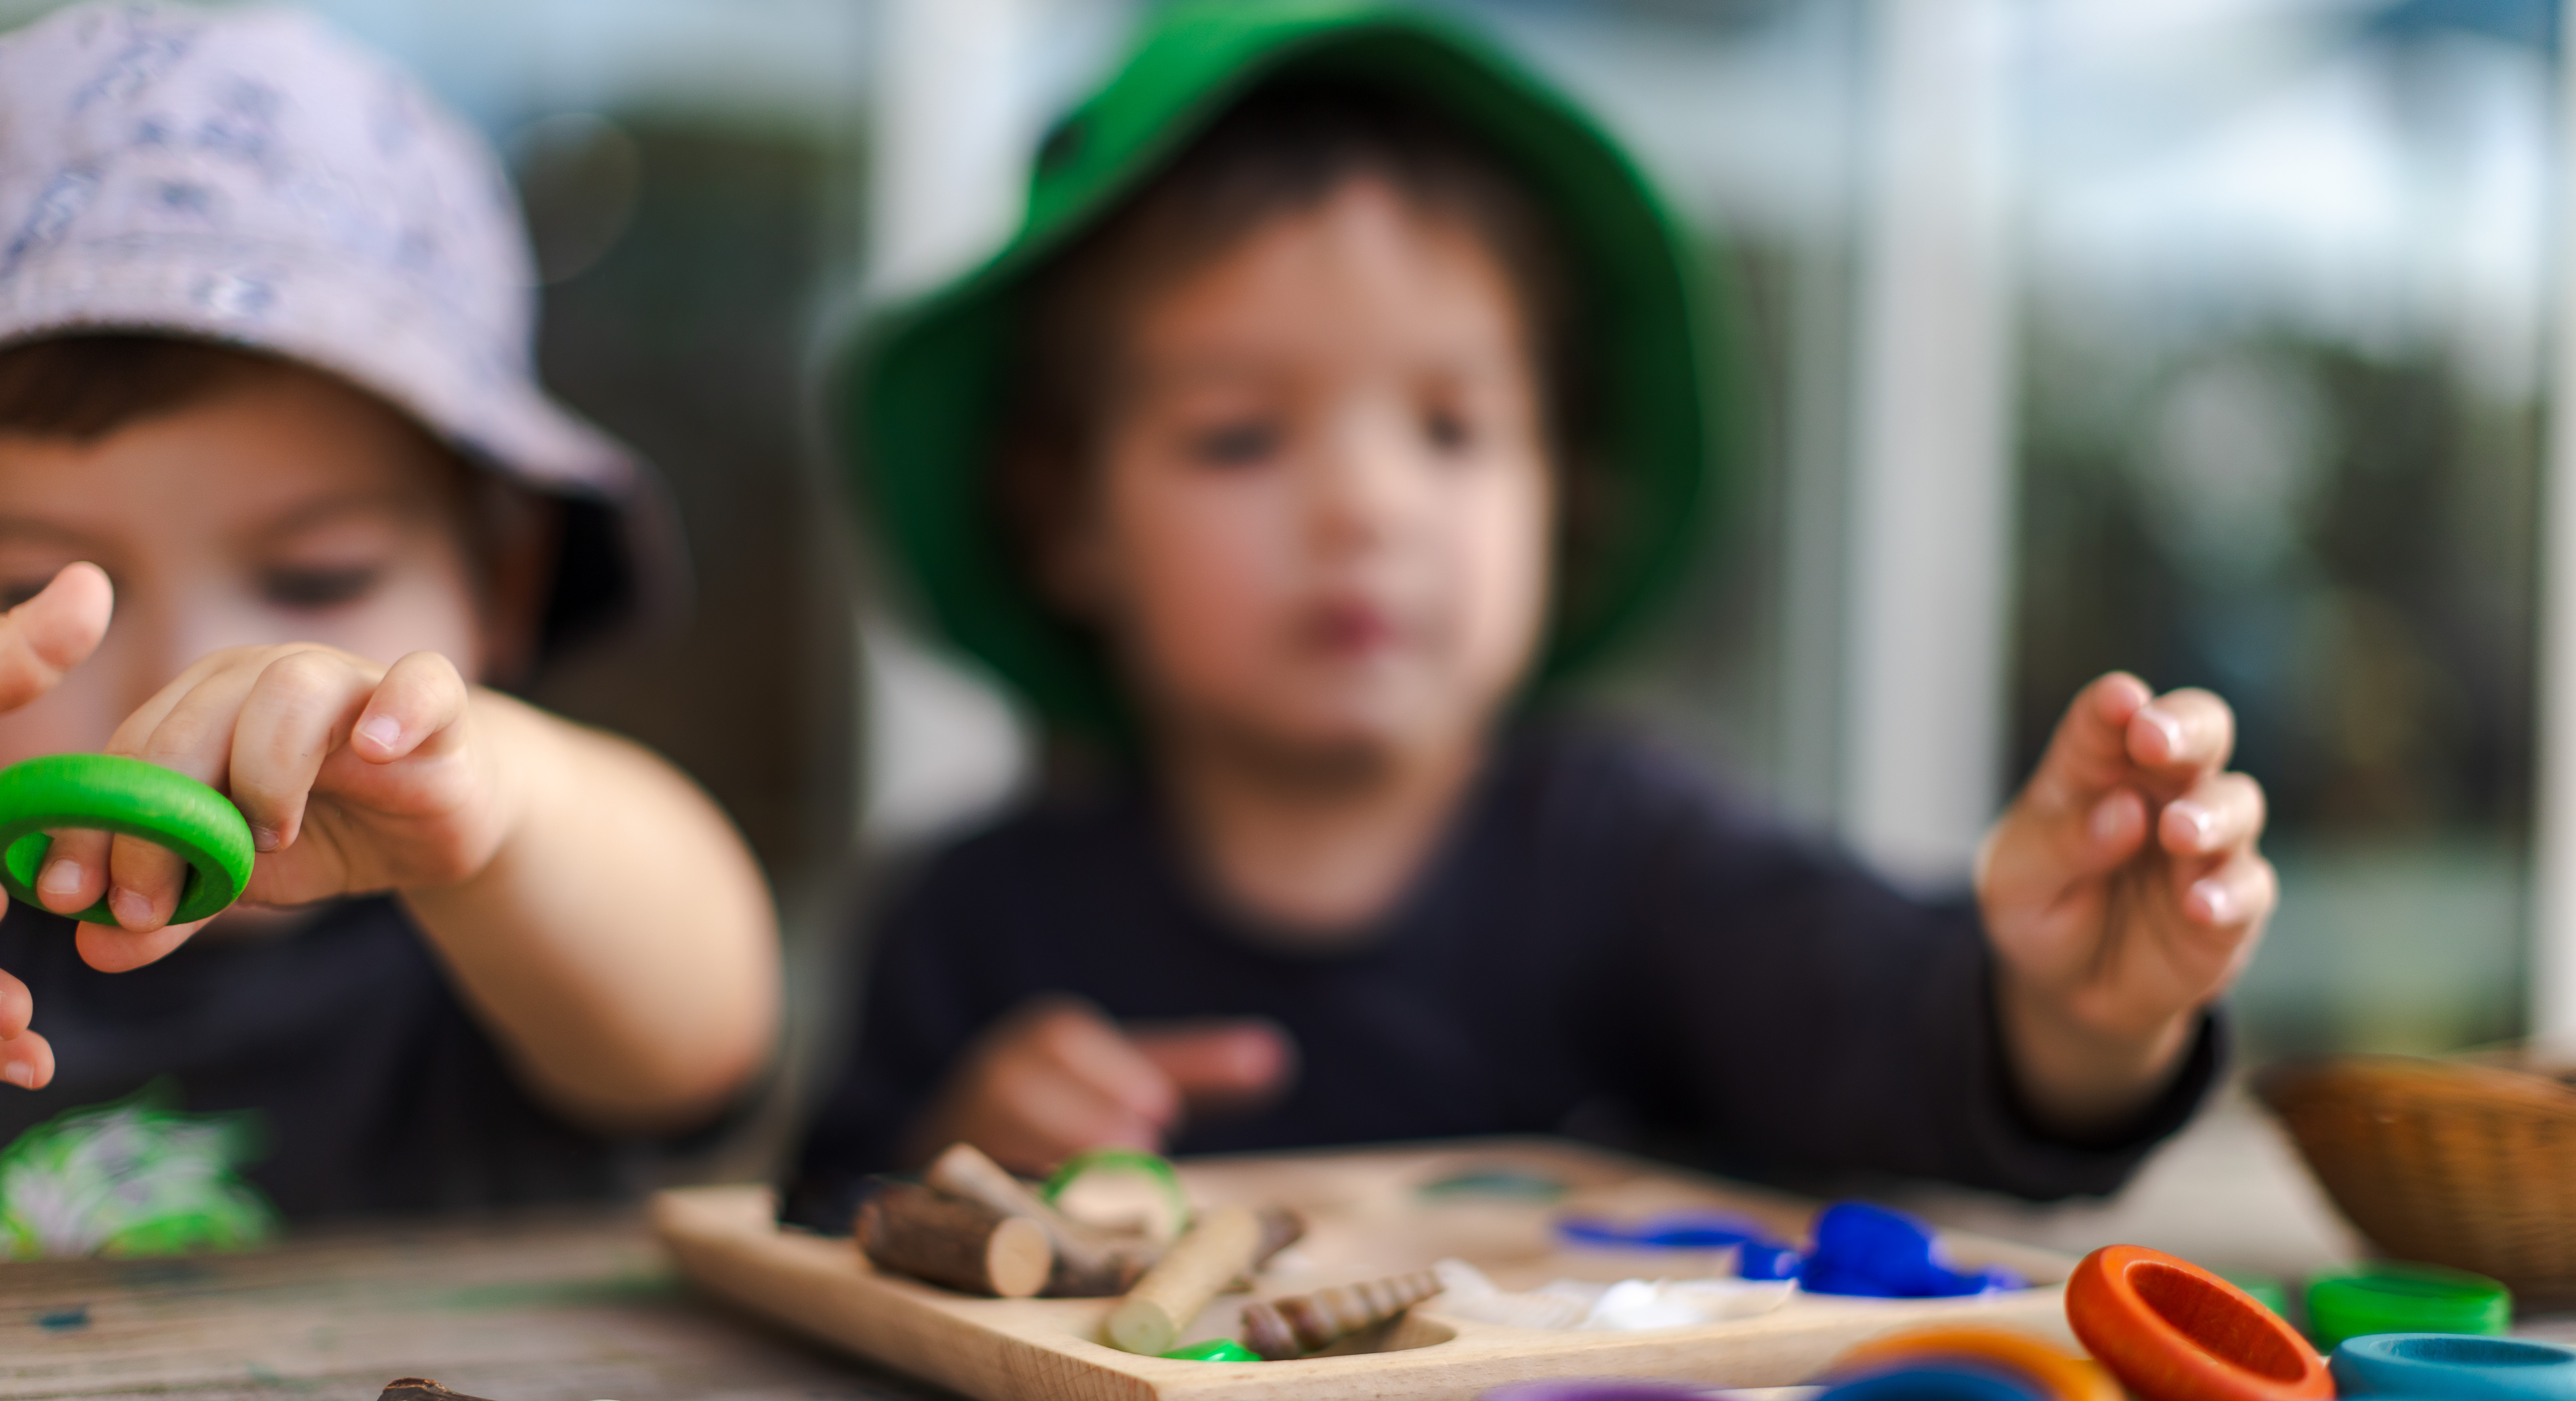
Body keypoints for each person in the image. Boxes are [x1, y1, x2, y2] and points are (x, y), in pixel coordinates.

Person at [781, 4, 2273, 1229]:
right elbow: (812, 1235)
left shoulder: (1632, 862)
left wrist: (2080, 1014)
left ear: (1559, 492)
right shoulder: (973, 925)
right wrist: (951, 1178)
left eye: (1450, 428)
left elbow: (1902, 1036)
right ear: (1067, 522)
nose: (1362, 509)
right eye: (1238, 434)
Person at [0, 3, 779, 1218]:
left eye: (320, 579)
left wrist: (492, 809)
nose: (186, 681)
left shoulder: (503, 918)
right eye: (29, 591)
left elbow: (714, 1018)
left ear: (502, 583)